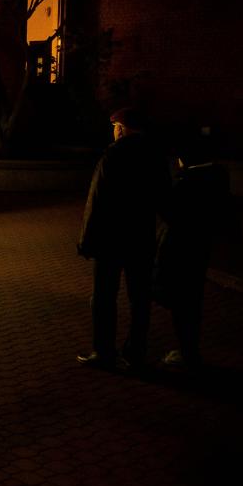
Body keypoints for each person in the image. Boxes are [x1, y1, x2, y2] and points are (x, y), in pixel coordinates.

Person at [77, 107, 171, 371]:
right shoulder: (155, 155)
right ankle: (135, 352)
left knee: (104, 296)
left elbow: (97, 202)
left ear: (121, 127)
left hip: (110, 240)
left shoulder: (113, 155)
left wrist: (87, 240)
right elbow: (164, 199)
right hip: (140, 238)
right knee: (139, 297)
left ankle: (104, 351)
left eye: (115, 127)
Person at [153, 136, 231, 370]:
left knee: (182, 304)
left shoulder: (190, 182)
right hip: (197, 251)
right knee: (190, 302)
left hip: (182, 252)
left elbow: (174, 215)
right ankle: (189, 350)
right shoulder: (214, 178)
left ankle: (188, 353)